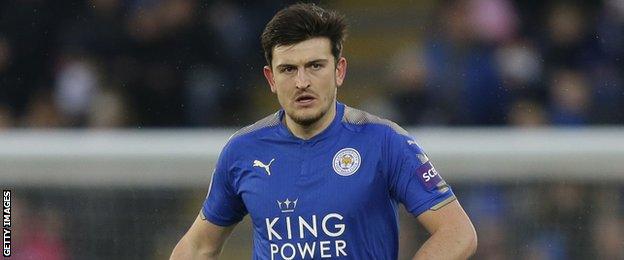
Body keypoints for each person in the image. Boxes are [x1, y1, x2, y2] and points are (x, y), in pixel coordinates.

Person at [171, 3, 477, 259]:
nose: (302, 81)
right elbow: (198, 245)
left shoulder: (385, 142)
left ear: (339, 70)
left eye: (315, 66)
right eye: (288, 69)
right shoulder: (243, 151)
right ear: (271, 78)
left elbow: (458, 232)